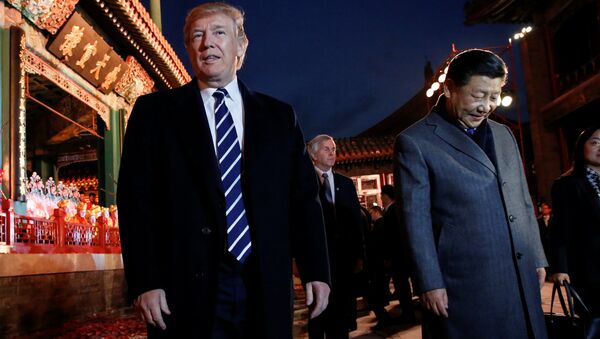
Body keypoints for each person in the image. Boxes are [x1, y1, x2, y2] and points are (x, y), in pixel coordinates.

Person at [116, 3, 330, 338]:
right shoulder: (155, 114)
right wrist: (146, 281)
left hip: (263, 280)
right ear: (188, 48)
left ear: (240, 45)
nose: (207, 43)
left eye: (218, 33)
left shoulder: (279, 117)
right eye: (197, 36)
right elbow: (136, 202)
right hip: (183, 288)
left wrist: (316, 269)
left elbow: (303, 200)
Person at [394, 49, 548, 339]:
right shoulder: (416, 142)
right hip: (463, 281)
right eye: (478, 95)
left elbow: (523, 200)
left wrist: (537, 256)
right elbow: (415, 221)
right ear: (450, 88)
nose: (486, 107)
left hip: (519, 270)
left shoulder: (504, 135)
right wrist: (429, 282)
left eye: (494, 96)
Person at [307, 134, 364, 338]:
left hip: (344, 261)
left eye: (334, 149)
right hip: (317, 261)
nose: (332, 153)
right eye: (326, 149)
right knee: (317, 316)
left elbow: (357, 224)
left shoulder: (346, 184)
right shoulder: (303, 184)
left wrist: (359, 255)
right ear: (313, 155)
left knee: (341, 317)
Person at [551, 125, 600, 339]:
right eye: (595, 142)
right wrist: (561, 269)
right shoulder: (568, 184)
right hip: (590, 271)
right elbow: (560, 230)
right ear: (582, 148)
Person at [380, 184, 416, 323]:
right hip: (401, 255)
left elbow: (392, 237)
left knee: (401, 286)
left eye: (382, 195)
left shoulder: (391, 212)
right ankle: (408, 312)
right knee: (402, 286)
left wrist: (388, 256)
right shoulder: (397, 210)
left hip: (397, 256)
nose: (381, 198)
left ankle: (408, 314)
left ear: (387, 196)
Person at [537, 202, 553, 271]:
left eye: (545, 208)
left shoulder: (554, 219)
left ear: (549, 209)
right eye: (542, 208)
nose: (543, 210)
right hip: (543, 244)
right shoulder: (538, 221)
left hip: (552, 243)